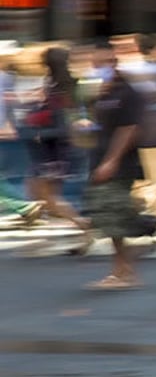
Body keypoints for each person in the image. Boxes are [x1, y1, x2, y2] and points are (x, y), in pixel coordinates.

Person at [81, 42, 146, 289]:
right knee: (110, 216)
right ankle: (123, 268)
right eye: (96, 63)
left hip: (118, 164)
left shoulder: (127, 92)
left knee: (113, 216)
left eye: (104, 62)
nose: (99, 67)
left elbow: (129, 129)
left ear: (114, 62)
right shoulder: (101, 92)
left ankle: (124, 272)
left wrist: (112, 161)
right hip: (99, 159)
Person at [24, 47, 90, 237]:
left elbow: (62, 124)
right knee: (43, 196)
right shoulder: (62, 84)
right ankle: (81, 227)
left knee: (43, 195)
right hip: (54, 149)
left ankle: (83, 224)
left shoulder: (61, 88)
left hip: (53, 149)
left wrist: (41, 131)